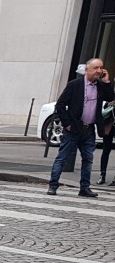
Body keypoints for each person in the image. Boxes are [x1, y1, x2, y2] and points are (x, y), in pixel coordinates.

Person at [48, 58, 113, 197]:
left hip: (89, 128)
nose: (99, 71)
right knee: (62, 158)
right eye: (95, 68)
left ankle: (84, 188)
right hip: (74, 129)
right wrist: (67, 124)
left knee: (88, 159)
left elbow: (110, 98)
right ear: (87, 69)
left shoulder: (100, 86)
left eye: (101, 68)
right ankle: (53, 185)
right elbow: (60, 105)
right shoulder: (75, 85)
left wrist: (107, 82)